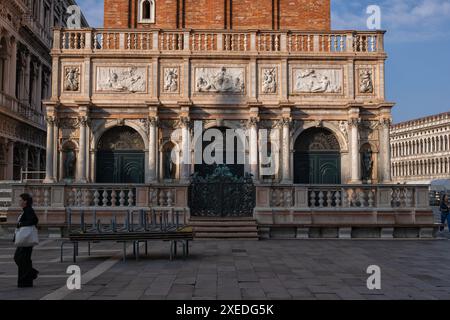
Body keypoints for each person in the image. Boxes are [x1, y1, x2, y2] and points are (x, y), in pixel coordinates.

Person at [14, 193, 39, 288]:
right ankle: (27, 278)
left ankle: (29, 275)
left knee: (20, 258)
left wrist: (21, 224)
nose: (19, 202)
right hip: (25, 239)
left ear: (25, 201)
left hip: (26, 239)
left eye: (20, 200)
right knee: (23, 259)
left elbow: (34, 220)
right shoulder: (26, 210)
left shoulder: (29, 210)